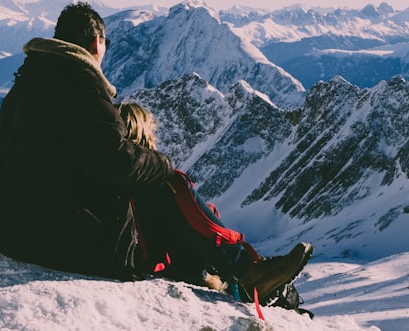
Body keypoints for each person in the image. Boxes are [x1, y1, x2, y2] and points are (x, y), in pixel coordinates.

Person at [0, 1, 312, 304]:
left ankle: (233, 270)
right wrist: (162, 163)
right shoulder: (78, 81)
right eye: (106, 43)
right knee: (172, 185)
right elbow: (116, 162)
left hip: (1, 223)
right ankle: (245, 271)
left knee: (155, 200)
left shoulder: (30, 80)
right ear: (96, 42)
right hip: (48, 232)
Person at [118, 101, 313, 308]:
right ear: (142, 133)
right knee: (180, 192)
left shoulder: (115, 180)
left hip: (138, 254)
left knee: (201, 211)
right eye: (151, 132)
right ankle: (248, 272)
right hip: (148, 261)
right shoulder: (154, 184)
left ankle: (230, 277)